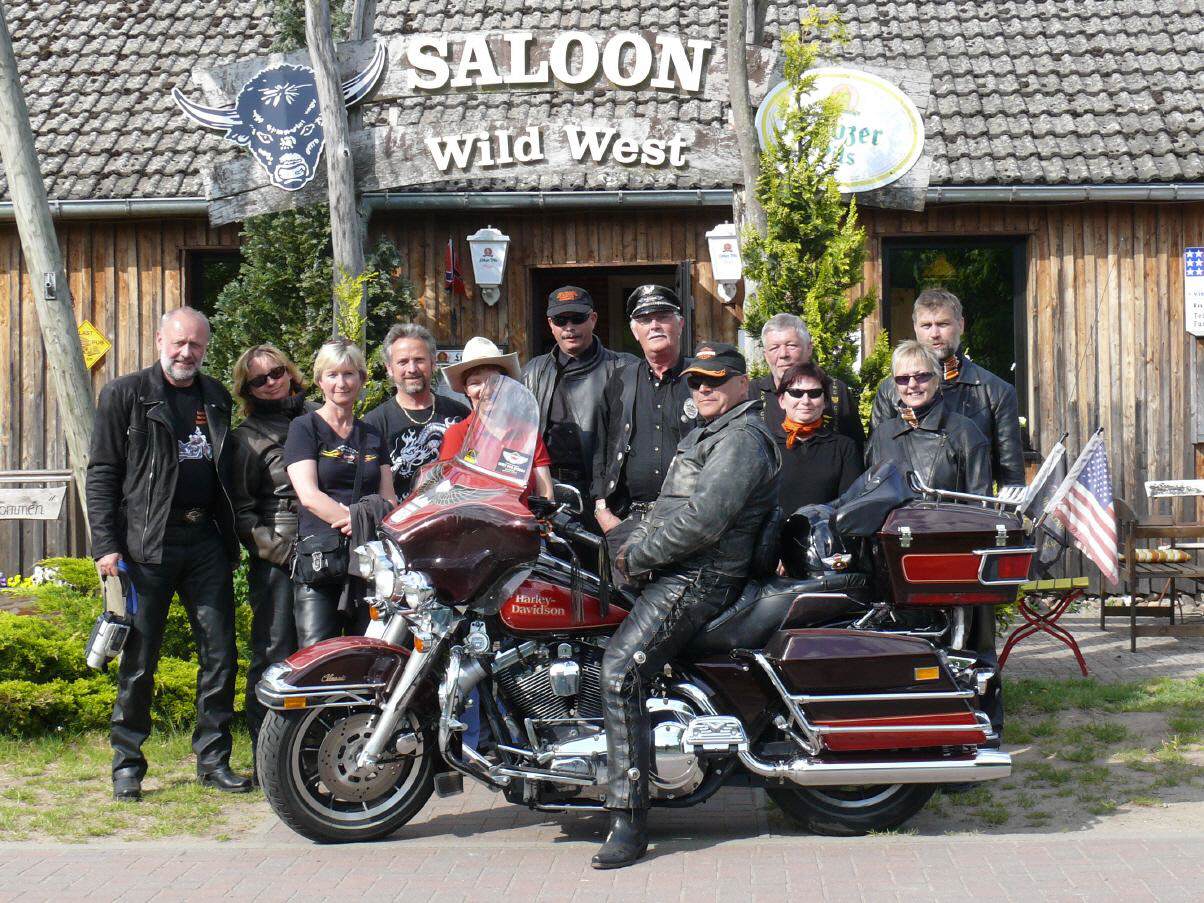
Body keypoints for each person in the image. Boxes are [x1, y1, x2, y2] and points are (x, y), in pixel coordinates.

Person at [594, 342, 779, 869]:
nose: (702, 389)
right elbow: (674, 507)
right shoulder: (712, 431)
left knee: (620, 671)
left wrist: (637, 555)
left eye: (715, 380)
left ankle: (628, 818)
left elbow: (704, 520)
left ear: (742, 384)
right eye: (696, 381)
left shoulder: (741, 438)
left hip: (699, 577)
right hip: (682, 569)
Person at [86, 307, 250, 802]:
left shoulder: (216, 396)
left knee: (220, 654)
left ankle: (213, 760)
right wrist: (106, 545)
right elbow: (103, 473)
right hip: (146, 544)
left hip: (205, 541)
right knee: (139, 659)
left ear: (205, 347)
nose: (186, 352)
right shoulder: (125, 394)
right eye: (179, 342)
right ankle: (127, 765)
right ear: (160, 340)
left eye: (195, 344)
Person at [230, 343, 312, 760]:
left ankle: (311, 750)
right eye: (259, 379)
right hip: (279, 557)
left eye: (276, 372)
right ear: (247, 389)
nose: (271, 383)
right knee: (274, 652)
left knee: (323, 651)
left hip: (327, 547)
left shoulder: (319, 418)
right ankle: (267, 755)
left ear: (289, 371)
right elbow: (240, 512)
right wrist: (280, 552)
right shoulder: (245, 438)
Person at [283, 339, 394, 647]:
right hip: (321, 561)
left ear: (362, 379)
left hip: (368, 564)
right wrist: (355, 520)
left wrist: (363, 522)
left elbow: (389, 499)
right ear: (320, 380)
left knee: (368, 655)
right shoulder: (304, 428)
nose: (341, 383)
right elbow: (308, 495)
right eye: (332, 375)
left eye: (348, 374)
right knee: (318, 657)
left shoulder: (373, 435)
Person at [870, 289, 1024, 487]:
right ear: (915, 328)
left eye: (943, 324)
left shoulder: (996, 392)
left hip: (970, 501)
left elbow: (1011, 479)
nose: (934, 334)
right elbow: (877, 462)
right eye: (926, 325)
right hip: (903, 503)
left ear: (961, 325)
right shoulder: (890, 391)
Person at [592, 285, 701, 563]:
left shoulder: (701, 380)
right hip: (627, 524)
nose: (654, 326)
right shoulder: (620, 380)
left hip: (689, 523)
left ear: (680, 324)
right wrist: (603, 512)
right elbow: (601, 451)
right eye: (644, 319)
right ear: (634, 331)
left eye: (662, 316)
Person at [522, 286, 635, 518]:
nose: (569, 327)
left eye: (577, 318)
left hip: (603, 496)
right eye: (561, 320)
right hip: (546, 493)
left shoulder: (625, 368)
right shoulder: (533, 371)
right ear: (550, 324)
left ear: (593, 319)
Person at [865, 340, 992, 495]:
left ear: (936, 379)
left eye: (921, 376)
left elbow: (981, 502)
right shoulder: (882, 434)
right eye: (903, 379)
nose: (912, 384)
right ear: (895, 384)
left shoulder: (965, 432)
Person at [438, 337, 555, 501]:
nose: (486, 390)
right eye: (475, 383)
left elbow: (546, 494)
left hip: (520, 517)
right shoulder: (456, 434)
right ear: (466, 389)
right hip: (472, 517)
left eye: (494, 381)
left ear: (507, 385)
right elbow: (446, 494)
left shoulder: (527, 433)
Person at [364, 323, 469, 502]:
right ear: (389, 368)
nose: (412, 369)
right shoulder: (373, 425)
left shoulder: (460, 415)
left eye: (419, 360)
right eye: (403, 362)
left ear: (433, 363)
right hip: (398, 517)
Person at [748, 313, 865, 453]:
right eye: (774, 348)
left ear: (809, 348)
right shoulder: (751, 393)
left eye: (791, 345)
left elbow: (855, 447)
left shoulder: (834, 390)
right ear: (766, 355)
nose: (783, 354)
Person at [774, 361, 862, 516]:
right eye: (796, 393)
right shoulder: (765, 446)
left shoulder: (844, 448)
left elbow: (851, 508)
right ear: (782, 400)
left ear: (825, 401)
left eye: (814, 393)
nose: (805, 401)